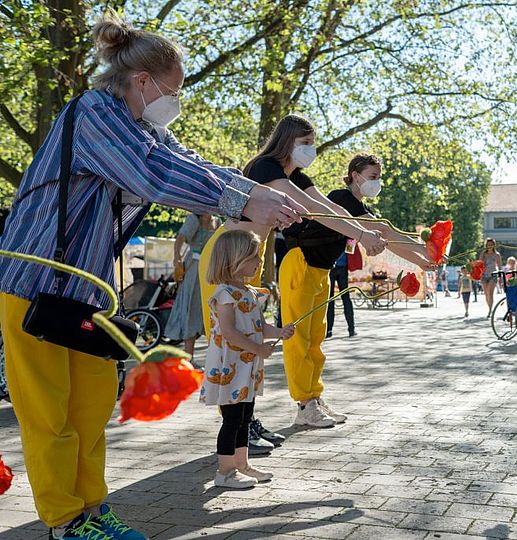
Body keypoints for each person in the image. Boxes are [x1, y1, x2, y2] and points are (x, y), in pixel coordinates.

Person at [0, 13, 304, 540]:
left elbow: (188, 163)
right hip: (33, 282)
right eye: (174, 90)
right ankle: (65, 521)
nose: (175, 102)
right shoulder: (95, 112)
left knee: (92, 408)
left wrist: (253, 194)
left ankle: (95, 510)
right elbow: (156, 177)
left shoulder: (142, 129)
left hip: (86, 290)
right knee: (51, 414)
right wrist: (244, 197)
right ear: (142, 82)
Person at [198, 115, 387, 444]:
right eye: (306, 143)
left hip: (248, 262)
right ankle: (235, 432)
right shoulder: (265, 168)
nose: (311, 150)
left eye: (313, 143)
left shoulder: (296, 174)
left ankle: (245, 424)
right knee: (231, 346)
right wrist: (359, 233)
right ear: (287, 141)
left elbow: (327, 206)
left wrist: (365, 231)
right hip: (224, 259)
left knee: (250, 345)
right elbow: (311, 208)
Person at [279, 154, 431, 427]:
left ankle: (313, 398)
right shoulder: (342, 197)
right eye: (372, 177)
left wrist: (423, 261)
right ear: (355, 175)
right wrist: (424, 250)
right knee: (298, 340)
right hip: (300, 264)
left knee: (315, 341)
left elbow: (384, 238)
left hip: (320, 271)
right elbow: (381, 229)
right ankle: (304, 404)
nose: (377, 183)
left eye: (378, 178)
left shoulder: (358, 205)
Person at [200, 230, 295, 488]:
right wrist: (258, 348)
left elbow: (260, 326)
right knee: (231, 419)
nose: (259, 261)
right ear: (234, 259)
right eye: (253, 256)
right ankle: (225, 472)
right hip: (230, 364)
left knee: (245, 417)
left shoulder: (250, 292)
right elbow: (229, 332)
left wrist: (279, 333)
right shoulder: (225, 294)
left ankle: (242, 465)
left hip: (247, 367)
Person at [164, 213, 220, 359]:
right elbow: (180, 238)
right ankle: (189, 357)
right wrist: (177, 258)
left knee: (211, 309)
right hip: (194, 268)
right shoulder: (194, 219)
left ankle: (213, 358)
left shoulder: (217, 221)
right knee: (191, 307)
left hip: (210, 267)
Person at [325, 252, 354, 338]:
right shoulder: (349, 237)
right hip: (343, 266)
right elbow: (351, 248)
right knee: (345, 297)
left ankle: (328, 330)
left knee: (330, 299)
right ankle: (351, 328)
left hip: (330, 265)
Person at [480, 238, 502, 316]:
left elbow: (499, 266)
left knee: (490, 292)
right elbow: (480, 264)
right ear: (486, 245)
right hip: (484, 275)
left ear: (494, 245)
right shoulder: (483, 254)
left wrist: (501, 278)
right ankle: (489, 307)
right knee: (486, 294)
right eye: (488, 245)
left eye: (491, 244)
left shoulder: (497, 255)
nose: (490, 246)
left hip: (493, 275)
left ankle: (490, 310)